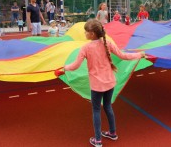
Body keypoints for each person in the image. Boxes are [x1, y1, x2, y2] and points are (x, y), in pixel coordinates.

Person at [55, 19, 145, 147]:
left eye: (86, 32)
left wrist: (64, 68)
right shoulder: (107, 43)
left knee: (96, 110)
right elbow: (123, 55)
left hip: (97, 86)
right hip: (110, 82)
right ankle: (113, 133)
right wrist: (139, 55)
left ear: (92, 34)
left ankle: (98, 140)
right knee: (108, 106)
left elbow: (75, 65)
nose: (85, 34)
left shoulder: (86, 47)